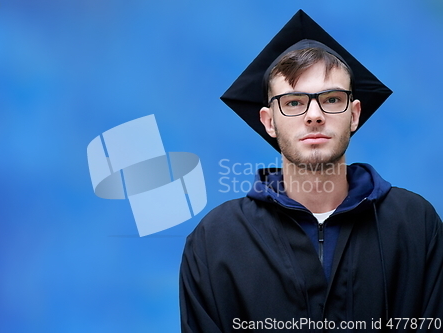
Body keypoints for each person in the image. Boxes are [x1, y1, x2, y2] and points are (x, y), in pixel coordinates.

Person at [179, 10, 443, 332]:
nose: (314, 115)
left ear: (355, 115)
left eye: (332, 99)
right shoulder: (216, 239)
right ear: (268, 121)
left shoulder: (414, 223)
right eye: (293, 102)